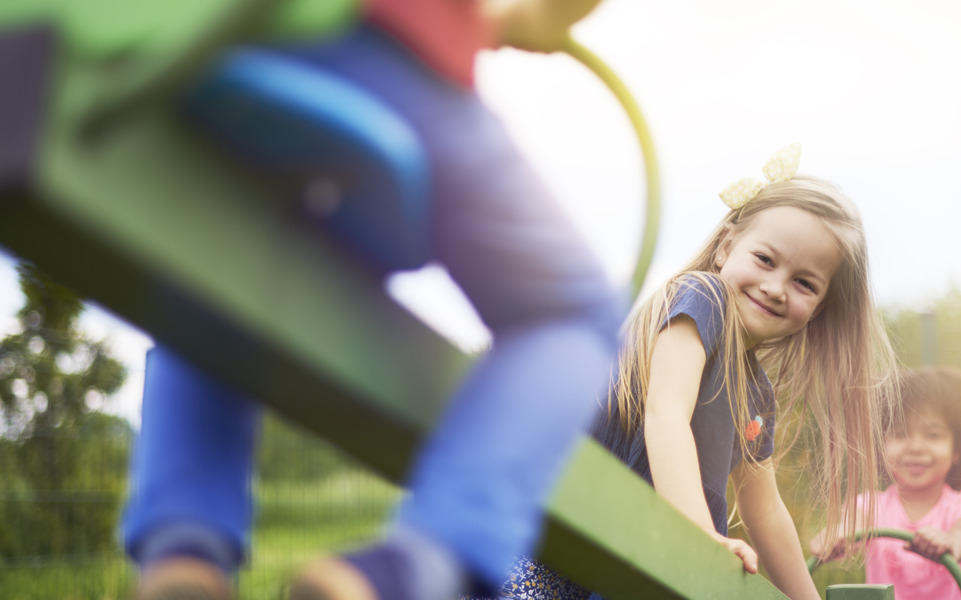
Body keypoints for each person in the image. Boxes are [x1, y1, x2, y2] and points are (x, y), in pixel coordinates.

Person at [120, 2, 627, 600]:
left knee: (225, 254)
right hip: (377, 43)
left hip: (183, 46)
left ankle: (184, 554)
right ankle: (423, 563)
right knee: (575, 311)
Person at [475, 144, 901, 600]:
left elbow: (766, 511)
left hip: (627, 566)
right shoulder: (702, 297)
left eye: (804, 283)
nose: (776, 287)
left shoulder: (757, 394)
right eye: (765, 259)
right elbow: (667, 411)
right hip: (554, 550)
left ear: (818, 310)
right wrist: (701, 536)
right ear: (725, 248)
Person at [810, 366, 961, 600]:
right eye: (900, 434)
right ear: (881, 445)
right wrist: (836, 537)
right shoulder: (870, 506)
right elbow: (851, 528)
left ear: (958, 449)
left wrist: (950, 541)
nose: (915, 446)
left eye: (933, 435)